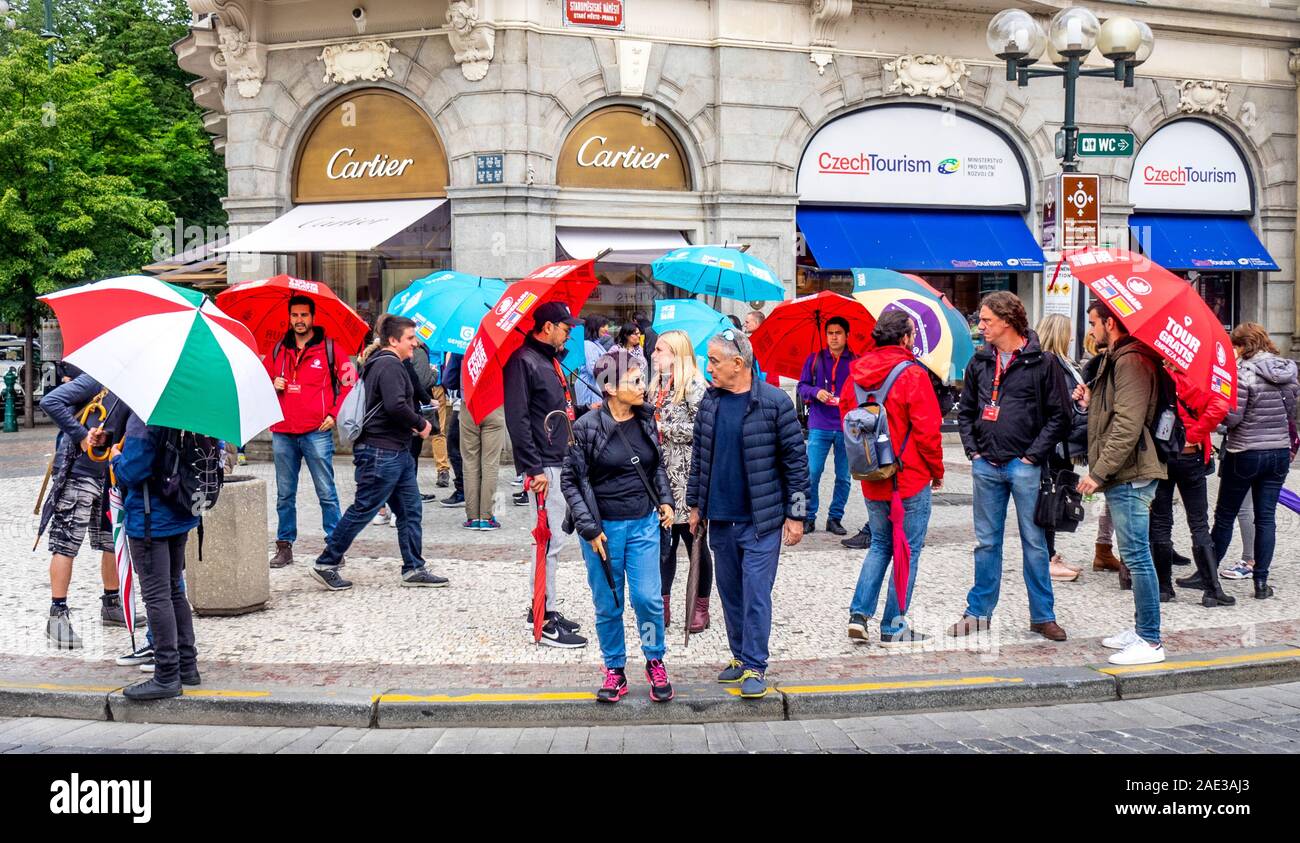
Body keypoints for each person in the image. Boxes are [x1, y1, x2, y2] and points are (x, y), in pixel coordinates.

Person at [688, 329, 809, 700]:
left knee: (756, 594)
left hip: (761, 522)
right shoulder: (710, 403)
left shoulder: (774, 402)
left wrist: (797, 515)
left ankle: (756, 664)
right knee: (731, 594)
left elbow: (796, 462)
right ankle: (740, 657)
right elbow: (699, 460)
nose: (709, 369)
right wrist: (694, 505)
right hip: (720, 520)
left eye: (714, 361)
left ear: (738, 363)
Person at [951, 292, 1070, 642]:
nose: (981, 326)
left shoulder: (1042, 363)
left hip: (1024, 467)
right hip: (986, 465)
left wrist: (1033, 456)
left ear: (1007, 320)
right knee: (986, 543)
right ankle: (978, 613)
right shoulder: (980, 362)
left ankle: (1042, 616)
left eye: (986, 320)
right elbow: (967, 411)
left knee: (1034, 543)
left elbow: (1060, 416)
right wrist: (973, 451)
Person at [562, 350, 677, 703]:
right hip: (603, 532)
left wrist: (666, 499)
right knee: (609, 603)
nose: (643, 386)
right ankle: (614, 667)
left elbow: (655, 465)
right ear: (609, 388)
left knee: (647, 599)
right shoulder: (585, 428)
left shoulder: (646, 418)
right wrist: (590, 529)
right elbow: (571, 482)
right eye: (635, 381)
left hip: (643, 523)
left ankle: (654, 658)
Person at [308, 315, 448, 591]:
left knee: (410, 510)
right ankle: (326, 562)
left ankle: (413, 568)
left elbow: (397, 402)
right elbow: (396, 406)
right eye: (410, 338)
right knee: (363, 509)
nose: (415, 343)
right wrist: (422, 425)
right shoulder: (387, 365)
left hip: (396, 451)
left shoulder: (391, 363)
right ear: (393, 340)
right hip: (381, 453)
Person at [840, 311, 945, 646]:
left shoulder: (854, 375)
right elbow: (929, 431)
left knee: (881, 544)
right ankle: (893, 626)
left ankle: (859, 615)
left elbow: (848, 421)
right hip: (908, 475)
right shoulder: (912, 374)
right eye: (912, 334)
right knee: (908, 550)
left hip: (872, 474)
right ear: (905, 338)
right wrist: (937, 471)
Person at [1075, 300, 1168, 665]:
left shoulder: (1131, 361)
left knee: (1137, 557)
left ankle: (1151, 640)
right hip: (1124, 471)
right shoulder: (1119, 358)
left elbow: (1127, 425)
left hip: (1131, 472)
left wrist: (1099, 472)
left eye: (1094, 322)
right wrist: (1090, 400)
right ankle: (1142, 628)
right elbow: (1112, 413)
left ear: (1111, 323)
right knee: (1134, 554)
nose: (1092, 329)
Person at [503, 300, 589, 647]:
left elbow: (554, 408)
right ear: (548, 327)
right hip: (545, 464)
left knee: (554, 540)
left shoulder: (548, 360)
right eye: (565, 327)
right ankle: (544, 619)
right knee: (548, 541)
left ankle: (544, 607)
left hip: (559, 457)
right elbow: (518, 419)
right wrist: (532, 467)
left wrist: (585, 409)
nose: (569, 332)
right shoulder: (523, 362)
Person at [108, 416, 202, 700]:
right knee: (174, 590)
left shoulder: (145, 419)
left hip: (150, 520)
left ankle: (166, 675)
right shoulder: (184, 411)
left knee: (157, 596)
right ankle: (188, 665)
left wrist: (115, 459)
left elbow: (133, 471)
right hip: (179, 512)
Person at [37, 376, 132, 648]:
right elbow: (51, 401)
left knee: (111, 540)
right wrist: (81, 436)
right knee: (66, 544)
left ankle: (112, 604)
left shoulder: (137, 391)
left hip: (110, 476)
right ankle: (57, 614)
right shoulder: (97, 379)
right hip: (79, 473)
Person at [1207, 323, 1298, 600]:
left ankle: (1207, 577)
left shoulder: (1243, 373)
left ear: (1244, 346)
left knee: (1224, 516)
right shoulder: (1289, 371)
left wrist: (1220, 423)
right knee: (1266, 519)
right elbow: (1291, 411)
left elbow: (1233, 418)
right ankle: (1261, 584)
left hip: (1245, 451)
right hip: (1279, 452)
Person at [265, 295, 351, 569]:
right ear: (288, 318)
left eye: (304, 315)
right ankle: (284, 546)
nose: (299, 320)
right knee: (284, 494)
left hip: (316, 431)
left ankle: (334, 547)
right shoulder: (278, 349)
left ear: (313, 317)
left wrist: (334, 414)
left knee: (326, 491)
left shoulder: (330, 349)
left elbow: (350, 383)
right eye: (294, 315)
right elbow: (259, 380)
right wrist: (272, 383)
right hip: (283, 431)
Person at [1150, 364, 1230, 605]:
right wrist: (1194, 434)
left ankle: (1163, 588)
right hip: (1191, 454)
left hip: (1162, 453)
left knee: (1161, 520)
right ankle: (1211, 590)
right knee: (1199, 522)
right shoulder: (1202, 375)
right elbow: (1220, 406)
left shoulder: (1156, 375)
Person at [649, 329, 711, 632]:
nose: (653, 354)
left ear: (676, 353)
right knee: (664, 544)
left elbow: (705, 428)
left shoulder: (696, 385)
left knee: (694, 542)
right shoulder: (657, 384)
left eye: (660, 350)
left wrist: (665, 427)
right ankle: (663, 606)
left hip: (688, 477)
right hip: (661, 478)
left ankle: (701, 605)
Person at [1034, 313, 1087, 582]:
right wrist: (1080, 404)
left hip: (1056, 445)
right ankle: (1046, 557)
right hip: (1056, 446)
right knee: (1051, 498)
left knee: (1053, 496)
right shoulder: (1054, 364)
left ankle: (1049, 554)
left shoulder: (1056, 363)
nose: (1073, 337)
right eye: (1069, 331)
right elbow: (1060, 408)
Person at [796, 316, 856, 536]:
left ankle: (835, 517)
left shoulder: (856, 362)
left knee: (843, 476)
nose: (833, 337)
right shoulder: (814, 359)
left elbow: (863, 391)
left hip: (847, 425)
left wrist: (847, 398)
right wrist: (815, 392)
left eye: (838, 332)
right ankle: (808, 517)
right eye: (830, 333)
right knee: (811, 472)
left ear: (847, 335)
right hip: (819, 424)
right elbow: (802, 386)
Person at [1082, 333, 1123, 574]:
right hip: (1109, 443)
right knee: (1116, 498)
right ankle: (1105, 549)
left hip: (1106, 442)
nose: (1091, 331)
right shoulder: (1099, 363)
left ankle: (1104, 547)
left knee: (1111, 499)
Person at [457, 354, 506, 531]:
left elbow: (448, 378)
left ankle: (472, 517)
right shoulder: (499, 346)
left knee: (470, 462)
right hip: (494, 404)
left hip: (469, 405)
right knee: (490, 463)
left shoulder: (461, 346)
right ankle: (486, 517)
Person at [436, 351, 465, 508]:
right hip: (487, 407)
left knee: (454, 447)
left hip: (462, 405)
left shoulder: (458, 349)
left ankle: (462, 490)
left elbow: (449, 380)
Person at [575, 314, 609, 415]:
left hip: (595, 383)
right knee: (591, 415)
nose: (606, 329)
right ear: (595, 327)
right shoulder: (588, 344)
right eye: (603, 326)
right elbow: (593, 369)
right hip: (589, 385)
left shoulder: (595, 343)